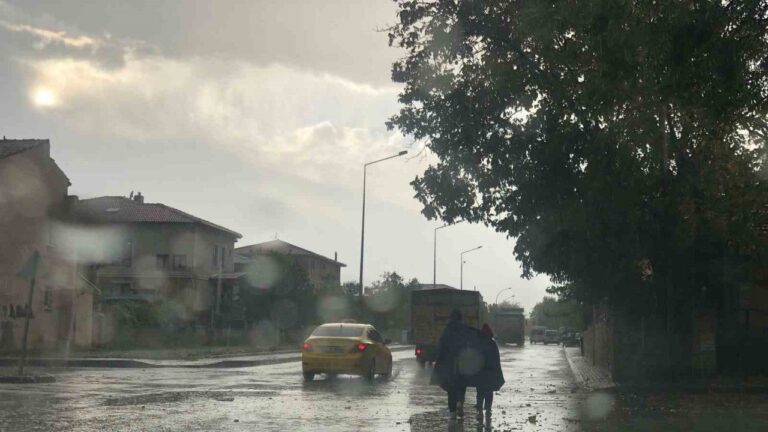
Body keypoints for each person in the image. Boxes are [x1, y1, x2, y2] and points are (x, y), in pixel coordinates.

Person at [431, 309, 474, 420]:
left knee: (451, 388)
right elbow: (470, 345)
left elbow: (442, 346)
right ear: (460, 318)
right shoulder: (465, 329)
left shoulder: (447, 329)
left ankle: (452, 412)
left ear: (451, 317)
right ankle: (460, 402)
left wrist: (439, 361)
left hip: (449, 364)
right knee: (462, 385)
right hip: (463, 363)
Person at [474, 323, 504, 417]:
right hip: (490, 372)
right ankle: (488, 410)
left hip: (480, 372)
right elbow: (496, 360)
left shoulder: (478, 343)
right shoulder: (492, 344)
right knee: (489, 391)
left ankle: (479, 408)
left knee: (480, 391)